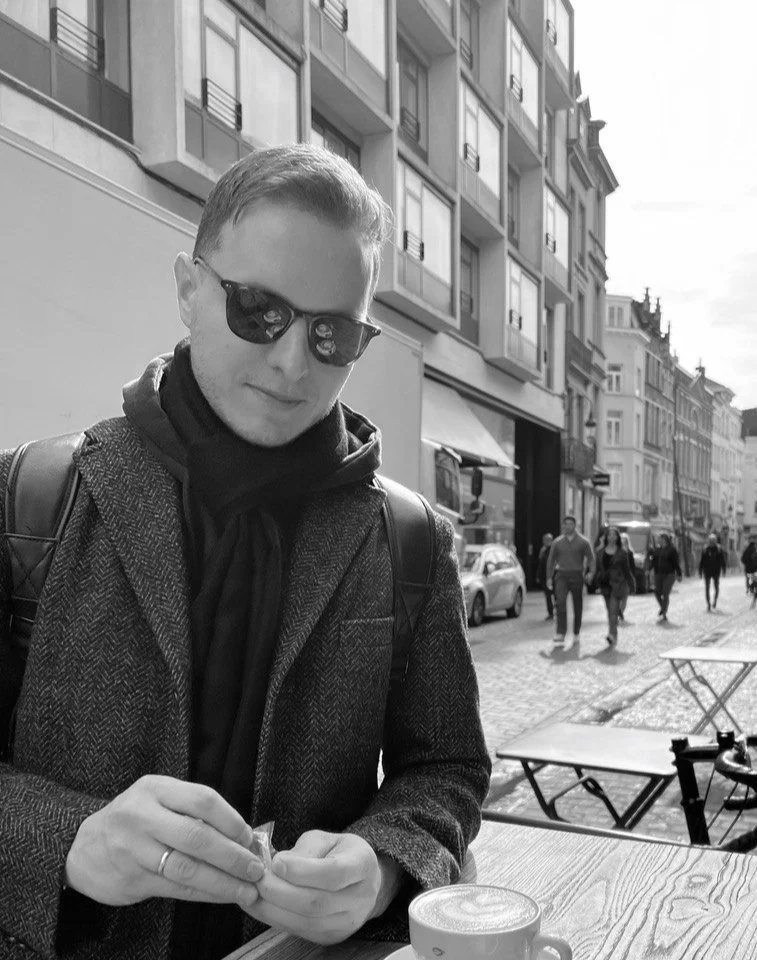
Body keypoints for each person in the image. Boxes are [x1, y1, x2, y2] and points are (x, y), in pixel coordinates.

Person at [0, 145, 491, 959]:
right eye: (259, 311)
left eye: (332, 335)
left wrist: (381, 868)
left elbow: (446, 768)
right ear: (190, 290)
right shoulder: (28, 498)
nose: (293, 361)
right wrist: (70, 842)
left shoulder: (409, 541)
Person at [546, 515, 595, 649]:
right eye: (565, 524)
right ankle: (561, 632)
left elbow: (591, 558)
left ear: (575, 525)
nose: (567, 526)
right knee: (560, 602)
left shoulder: (583, 542)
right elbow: (550, 561)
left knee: (577, 604)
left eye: (570, 524)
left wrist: (591, 573)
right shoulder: (557, 542)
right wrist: (549, 577)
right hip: (561, 575)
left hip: (577, 575)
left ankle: (576, 632)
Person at [597, 528, 635, 646]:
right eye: (609, 535)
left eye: (614, 535)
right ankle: (614, 633)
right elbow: (597, 567)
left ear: (617, 538)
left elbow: (627, 570)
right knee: (610, 612)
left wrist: (631, 585)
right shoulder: (600, 551)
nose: (611, 537)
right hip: (604, 584)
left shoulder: (622, 552)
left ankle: (611, 635)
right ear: (606, 537)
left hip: (617, 584)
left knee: (613, 611)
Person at [651, 532, 682, 622]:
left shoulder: (671, 549)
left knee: (665, 592)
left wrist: (679, 574)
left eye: (659, 539)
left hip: (669, 574)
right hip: (658, 574)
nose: (658, 540)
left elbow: (676, 562)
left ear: (664, 539)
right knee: (656, 592)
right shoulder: (657, 549)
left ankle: (664, 613)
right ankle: (663, 608)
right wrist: (649, 569)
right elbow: (653, 561)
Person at [699, 533, 727, 611]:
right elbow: (701, 561)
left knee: (716, 587)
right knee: (707, 588)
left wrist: (724, 570)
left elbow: (723, 560)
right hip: (707, 571)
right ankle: (708, 604)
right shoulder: (705, 549)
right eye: (710, 540)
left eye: (713, 540)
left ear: (715, 541)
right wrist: (700, 571)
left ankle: (715, 600)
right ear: (708, 541)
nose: (711, 542)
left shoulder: (719, 549)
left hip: (716, 571)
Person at [535, 532, 555, 621]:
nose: (546, 542)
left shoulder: (555, 550)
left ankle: (557, 611)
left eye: (548, 540)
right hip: (545, 576)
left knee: (557, 595)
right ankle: (550, 613)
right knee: (548, 596)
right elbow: (541, 564)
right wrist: (538, 575)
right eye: (545, 540)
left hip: (554, 576)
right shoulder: (543, 551)